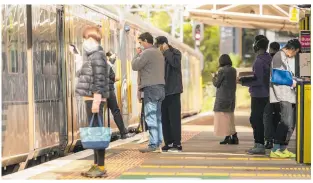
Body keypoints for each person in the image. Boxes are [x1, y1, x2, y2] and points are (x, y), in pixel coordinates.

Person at [72, 26, 110, 177]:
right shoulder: (92, 55)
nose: (85, 42)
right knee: (95, 133)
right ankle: (96, 165)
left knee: (98, 133)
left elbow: (99, 79)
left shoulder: (98, 56)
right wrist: (77, 58)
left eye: (87, 38)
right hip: (91, 98)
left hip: (95, 99)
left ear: (94, 39)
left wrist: (96, 99)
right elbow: (82, 73)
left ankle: (100, 167)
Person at [131, 32, 165, 153]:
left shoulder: (147, 52)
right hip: (161, 88)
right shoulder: (158, 52)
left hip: (151, 88)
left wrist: (137, 53)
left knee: (150, 117)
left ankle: (153, 144)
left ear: (145, 41)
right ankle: (159, 142)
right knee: (158, 117)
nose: (140, 45)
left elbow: (135, 65)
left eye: (140, 42)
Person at [239, 35, 271, 155]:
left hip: (258, 94)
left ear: (256, 46)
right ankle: (260, 144)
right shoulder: (268, 58)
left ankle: (259, 145)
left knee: (255, 119)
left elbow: (258, 80)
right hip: (266, 93)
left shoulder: (259, 61)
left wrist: (243, 81)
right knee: (261, 119)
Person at [269, 39, 301, 158]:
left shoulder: (283, 57)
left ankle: (283, 148)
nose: (294, 55)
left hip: (288, 95)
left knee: (290, 123)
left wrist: (294, 80)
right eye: (296, 52)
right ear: (292, 49)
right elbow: (277, 76)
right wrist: (292, 81)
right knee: (285, 122)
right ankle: (276, 149)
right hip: (282, 95)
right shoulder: (279, 56)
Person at [155, 36, 183, 152]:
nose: (158, 48)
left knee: (174, 119)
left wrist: (166, 51)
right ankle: (168, 142)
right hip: (162, 92)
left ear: (164, 44)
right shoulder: (159, 55)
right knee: (165, 119)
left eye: (159, 46)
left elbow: (175, 64)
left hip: (173, 91)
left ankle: (177, 143)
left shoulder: (175, 53)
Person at [105, 51, 135, 139]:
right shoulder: (106, 65)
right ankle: (123, 133)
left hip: (102, 90)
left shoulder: (102, 64)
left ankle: (122, 132)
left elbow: (109, 77)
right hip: (108, 90)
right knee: (115, 111)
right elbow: (108, 76)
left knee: (102, 112)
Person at [213, 54, 238, 145]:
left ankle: (232, 136)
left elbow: (217, 84)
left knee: (223, 118)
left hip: (222, 98)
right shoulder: (233, 70)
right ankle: (230, 137)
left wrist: (214, 77)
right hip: (231, 97)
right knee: (229, 118)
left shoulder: (222, 71)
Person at [263, 42, 281, 149]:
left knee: (267, 116)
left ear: (270, 49)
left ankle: (268, 140)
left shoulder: (267, 60)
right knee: (278, 117)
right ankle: (277, 140)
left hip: (268, 93)